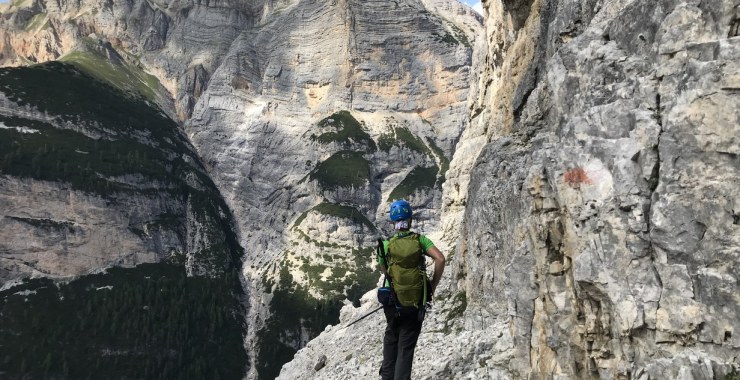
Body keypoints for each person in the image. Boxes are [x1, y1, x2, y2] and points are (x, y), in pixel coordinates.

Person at [376, 199, 445, 380]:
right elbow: (440, 259)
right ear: (410, 220)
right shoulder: (420, 240)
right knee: (406, 345)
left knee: (391, 337)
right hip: (414, 302)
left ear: (393, 221)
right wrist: (433, 284)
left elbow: (384, 271)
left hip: (392, 302)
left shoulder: (386, 245)